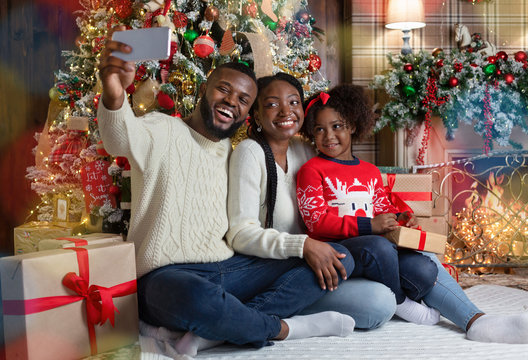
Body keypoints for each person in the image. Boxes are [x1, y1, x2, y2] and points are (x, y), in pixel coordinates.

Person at [97, 28, 355, 357]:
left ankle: (219, 329)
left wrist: (305, 243)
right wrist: (114, 93)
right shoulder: (163, 129)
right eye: (224, 90)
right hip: (165, 276)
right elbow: (119, 137)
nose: (232, 101)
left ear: (249, 113)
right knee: (196, 299)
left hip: (228, 269)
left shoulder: (236, 154)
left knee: (336, 257)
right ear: (205, 90)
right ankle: (282, 328)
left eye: (244, 100)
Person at [296, 83, 528, 343]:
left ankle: (477, 321)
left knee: (423, 267)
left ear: (353, 126)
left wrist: (399, 216)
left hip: (378, 247)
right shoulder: (311, 170)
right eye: (319, 129)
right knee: (379, 247)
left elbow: (381, 206)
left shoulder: (368, 171)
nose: (328, 135)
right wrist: (370, 225)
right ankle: (401, 302)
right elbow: (316, 221)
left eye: (337, 126)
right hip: (341, 253)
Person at [227, 73, 397, 330]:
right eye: (272, 104)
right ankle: (242, 321)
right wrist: (303, 245)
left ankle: (296, 312)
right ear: (257, 115)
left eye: (294, 102)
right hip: (271, 267)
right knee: (378, 304)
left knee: (384, 294)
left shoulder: (304, 150)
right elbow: (240, 235)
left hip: (314, 263)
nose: (286, 111)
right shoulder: (249, 152)